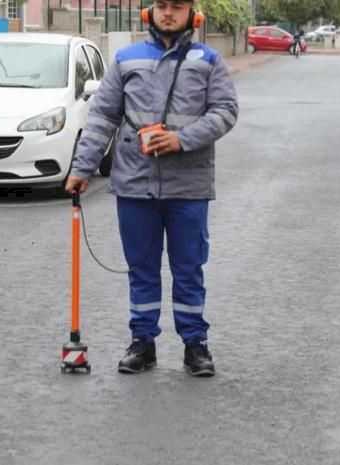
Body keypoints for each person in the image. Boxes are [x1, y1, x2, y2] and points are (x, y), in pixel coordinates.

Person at [65, 0, 238, 377]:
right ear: (149, 12)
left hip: (188, 186)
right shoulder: (126, 59)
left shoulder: (208, 61)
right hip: (134, 184)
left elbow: (225, 112)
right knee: (141, 268)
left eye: (177, 6)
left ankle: (195, 344)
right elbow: (102, 117)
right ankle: (142, 343)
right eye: (161, 5)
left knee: (188, 268)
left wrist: (182, 139)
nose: (168, 13)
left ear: (192, 14)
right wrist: (82, 167)